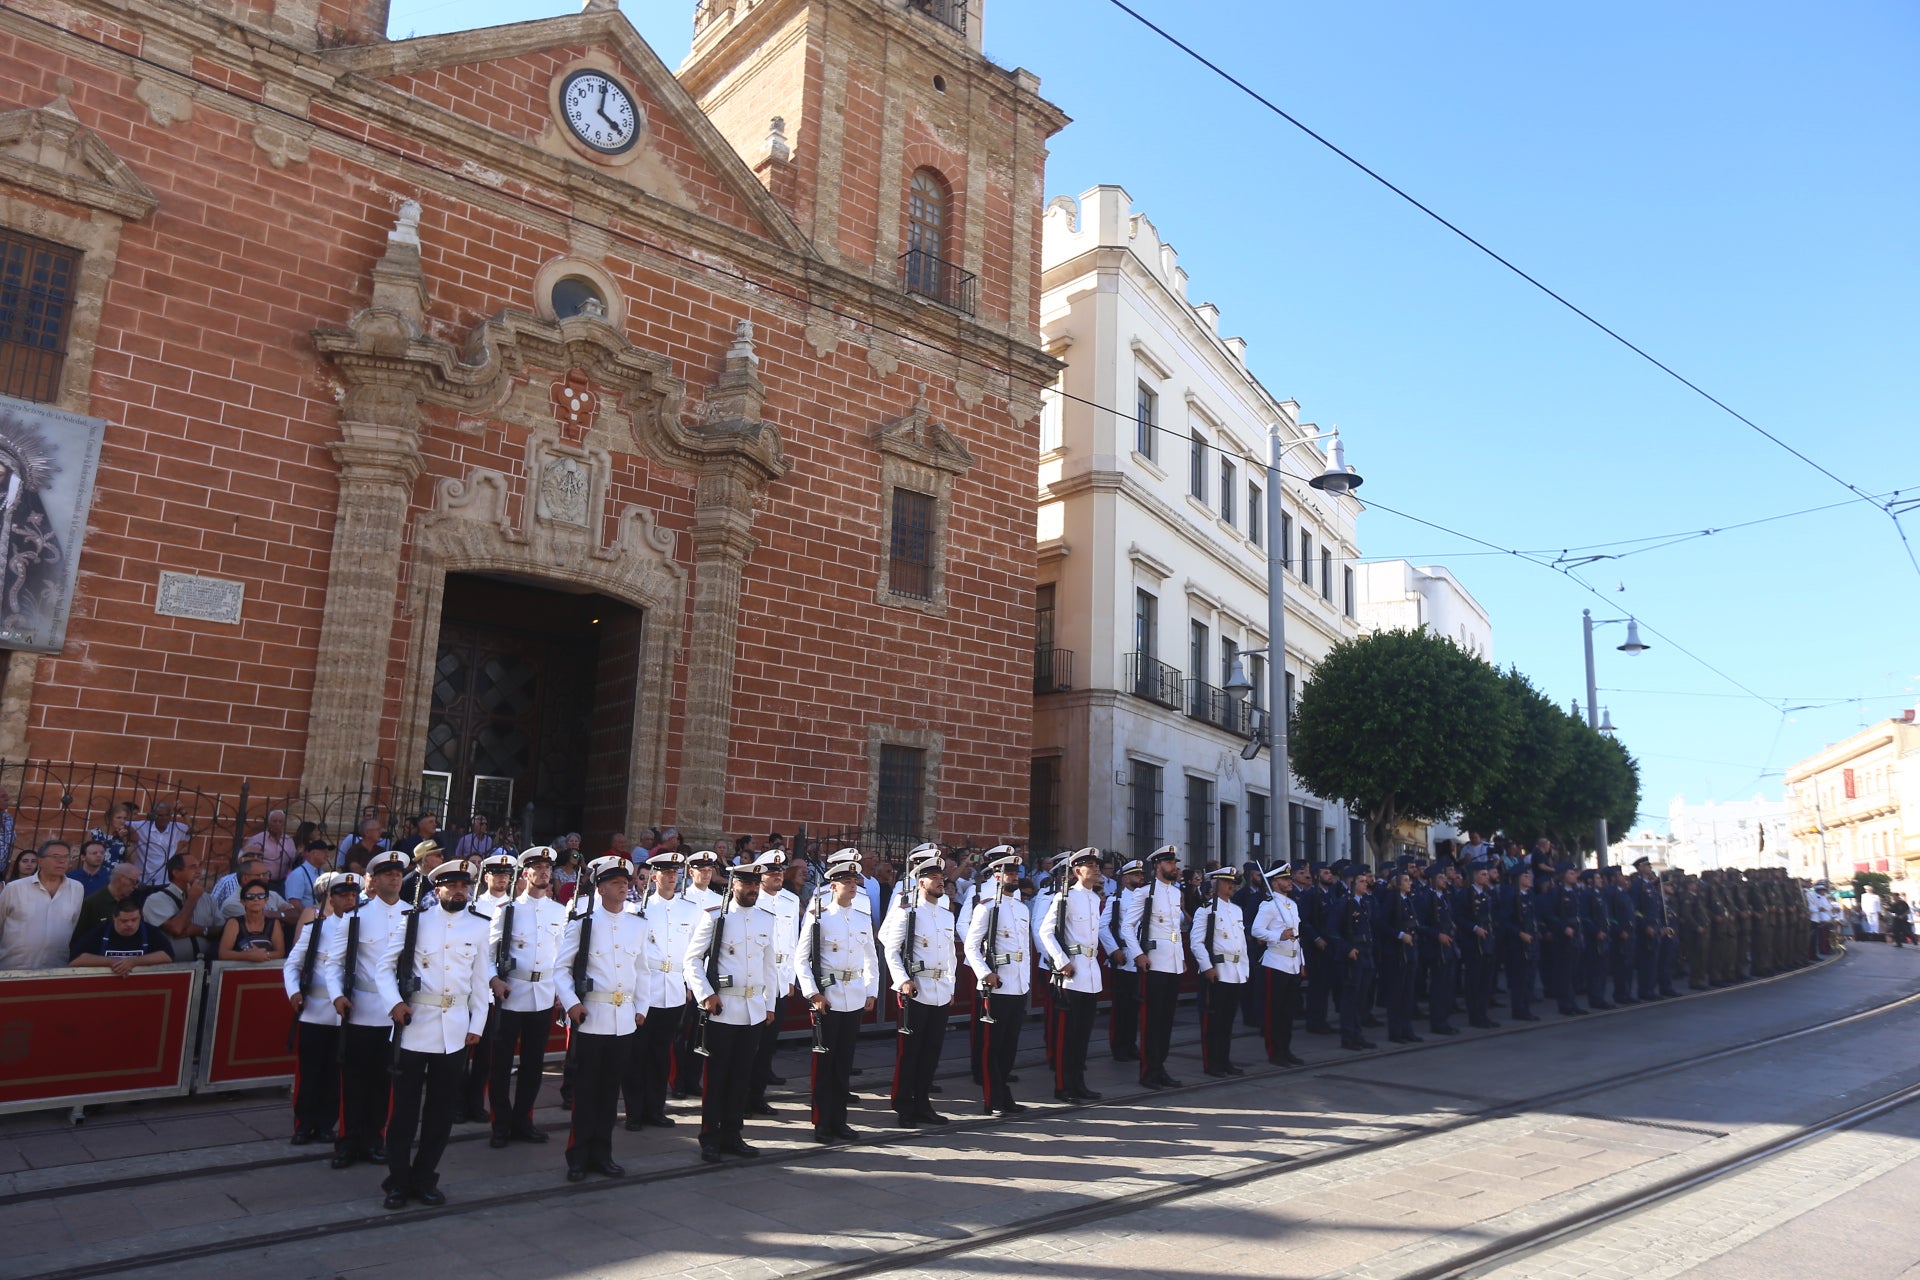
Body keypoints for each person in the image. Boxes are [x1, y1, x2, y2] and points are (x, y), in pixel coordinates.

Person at [380, 858, 492, 1210]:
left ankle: (425, 1177)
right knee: (404, 1113)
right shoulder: (414, 922)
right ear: (437, 888)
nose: (459, 891)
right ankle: (397, 1181)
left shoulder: (477, 927)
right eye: (452, 885)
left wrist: (477, 1025)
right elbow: (383, 968)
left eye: (464, 886)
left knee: (441, 1112)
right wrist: (394, 1004)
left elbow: (480, 979)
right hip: (414, 1027)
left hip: (455, 1030)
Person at [554, 854, 649, 1183]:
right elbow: (562, 969)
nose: (624, 887)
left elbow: (642, 970)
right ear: (601, 887)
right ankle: (577, 1156)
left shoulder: (637, 924)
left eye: (626, 883)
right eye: (616, 883)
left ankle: (603, 1154)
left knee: (610, 1094)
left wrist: (641, 1008)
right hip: (591, 1016)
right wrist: (571, 1004)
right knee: (586, 1092)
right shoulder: (583, 922)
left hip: (623, 1019)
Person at [323, 848, 412, 1170]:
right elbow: (333, 965)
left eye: (399, 873)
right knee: (354, 1080)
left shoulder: (413, 915)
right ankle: (348, 1142)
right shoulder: (355, 917)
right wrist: (336, 997)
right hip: (361, 1009)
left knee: (385, 1082)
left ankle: (376, 1139)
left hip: (395, 1016)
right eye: (388, 873)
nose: (395, 878)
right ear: (372, 881)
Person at [685, 861, 779, 1162]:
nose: (753, 889)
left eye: (756, 884)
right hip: (723, 1009)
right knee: (717, 1077)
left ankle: (733, 1133)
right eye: (747, 884)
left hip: (752, 1009)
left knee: (741, 1076)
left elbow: (768, 964)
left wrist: (769, 1004)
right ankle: (710, 1136)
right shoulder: (715, 917)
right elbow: (692, 960)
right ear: (733, 885)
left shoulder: (766, 918)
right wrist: (706, 995)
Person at [795, 849, 878, 1143]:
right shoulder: (819, 917)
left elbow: (871, 957)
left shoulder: (861, 918)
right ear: (833, 886)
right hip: (827, 998)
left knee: (844, 1062)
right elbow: (801, 958)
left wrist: (871, 990)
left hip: (854, 996)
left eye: (855, 880)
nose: (853, 886)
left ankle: (839, 1120)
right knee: (824, 1063)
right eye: (846, 881)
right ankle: (821, 1122)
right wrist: (813, 994)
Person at [486, 846, 565, 1148]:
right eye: (538, 867)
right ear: (526, 873)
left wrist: (559, 990)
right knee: (502, 1063)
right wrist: (494, 980)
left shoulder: (559, 911)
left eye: (547, 867)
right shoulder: (507, 910)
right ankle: (500, 1124)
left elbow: (560, 956)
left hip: (542, 994)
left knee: (533, 1064)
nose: (544, 872)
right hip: (512, 992)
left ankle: (524, 1120)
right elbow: (488, 953)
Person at [879, 847, 958, 1127]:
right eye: (934, 877)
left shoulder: (946, 914)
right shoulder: (907, 912)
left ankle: (923, 1103)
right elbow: (891, 950)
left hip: (939, 989)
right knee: (910, 1051)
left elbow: (950, 954)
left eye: (942, 876)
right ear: (920, 882)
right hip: (916, 988)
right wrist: (902, 980)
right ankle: (904, 1105)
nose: (941, 881)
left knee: (932, 1051)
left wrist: (950, 985)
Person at [627, 848, 699, 1132]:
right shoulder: (640, 909)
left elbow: (694, 952)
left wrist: (690, 985)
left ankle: (655, 1108)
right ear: (654, 876)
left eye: (675, 872)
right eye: (666, 872)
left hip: (674, 989)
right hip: (647, 987)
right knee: (638, 1053)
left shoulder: (689, 910)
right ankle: (634, 1111)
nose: (671, 877)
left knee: (661, 1052)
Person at [285, 872, 360, 1146]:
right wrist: (293, 991)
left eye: (353, 895)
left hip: (348, 1015)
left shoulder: (363, 929)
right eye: (343, 895)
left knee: (335, 1073)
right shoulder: (316, 929)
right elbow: (292, 965)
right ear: (332, 899)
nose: (349, 900)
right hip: (316, 1011)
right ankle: (304, 1124)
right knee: (311, 1072)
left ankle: (327, 1124)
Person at [965, 846, 1032, 1117]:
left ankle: (1005, 1093)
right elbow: (971, 946)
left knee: (1010, 1044)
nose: (1014, 877)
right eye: (1009, 873)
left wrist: (1026, 979)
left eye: (1016, 872)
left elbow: (1024, 948)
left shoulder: (1021, 908)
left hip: (1018, 983)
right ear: (996, 876)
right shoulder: (987, 907)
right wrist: (985, 973)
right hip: (997, 983)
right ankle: (992, 1098)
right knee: (993, 1045)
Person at [1039, 846, 1105, 1103]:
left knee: (1083, 1035)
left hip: (1090, 972)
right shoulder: (1065, 897)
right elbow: (1046, 932)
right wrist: (1062, 961)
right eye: (1091, 865)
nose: (1097, 868)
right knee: (1068, 1036)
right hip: (1072, 973)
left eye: (1097, 864)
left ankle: (1079, 1083)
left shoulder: (1094, 898)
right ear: (1078, 871)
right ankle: (1063, 1086)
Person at [1122, 844, 1188, 1089]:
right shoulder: (1145, 892)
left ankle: (1161, 1067)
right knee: (1152, 1020)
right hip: (1154, 963)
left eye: (1175, 863)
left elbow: (1174, 932)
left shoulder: (1174, 893)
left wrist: (1180, 956)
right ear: (1158, 865)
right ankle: (1149, 1071)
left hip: (1172, 963)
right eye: (1170, 863)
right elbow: (1127, 927)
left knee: (1167, 1020)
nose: (1175, 867)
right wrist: (1138, 954)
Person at [460, 852, 518, 1122]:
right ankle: (457, 1105)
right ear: (487, 878)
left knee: (486, 1055)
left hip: (499, 988)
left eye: (506, 875)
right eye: (497, 874)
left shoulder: (516, 905)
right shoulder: (474, 905)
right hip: (473, 985)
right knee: (462, 1052)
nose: (502, 879)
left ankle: (475, 1103)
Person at [748, 849, 802, 1118]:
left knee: (768, 1044)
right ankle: (742, 1096)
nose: (778, 875)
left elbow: (792, 941)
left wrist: (790, 978)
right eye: (772, 872)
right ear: (761, 875)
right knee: (750, 1044)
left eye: (780, 871)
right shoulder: (752, 900)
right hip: (756, 978)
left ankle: (757, 1096)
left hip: (779, 978)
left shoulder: (791, 901)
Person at [1190, 866, 1250, 1077]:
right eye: (1226, 882)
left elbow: (1241, 943)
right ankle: (1212, 1062)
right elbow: (1196, 943)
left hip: (1234, 971)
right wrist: (1207, 967)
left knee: (1227, 1020)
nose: (1231, 885)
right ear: (1215, 885)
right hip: (1217, 970)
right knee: (1213, 1021)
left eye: (1232, 882)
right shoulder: (1205, 910)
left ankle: (1225, 1060)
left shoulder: (1236, 910)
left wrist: (1244, 969)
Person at [1250, 863, 1305, 1065]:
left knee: (1288, 1012)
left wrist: (1302, 961)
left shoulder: (1292, 905)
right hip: (1276, 962)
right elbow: (1256, 930)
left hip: (1291, 962)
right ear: (1275, 882)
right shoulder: (1269, 905)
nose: (1289, 881)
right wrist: (1277, 935)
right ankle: (1275, 1052)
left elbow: (1298, 937)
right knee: (1275, 1011)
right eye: (1285, 879)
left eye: (1289, 878)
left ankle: (1286, 1049)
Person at [0, 839, 83, 969]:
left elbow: (72, 923)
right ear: (40, 861)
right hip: (13, 968)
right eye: (55, 856)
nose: (62, 861)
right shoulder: (14, 888)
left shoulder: (77, 888)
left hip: (55, 967)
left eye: (66, 857)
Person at [1098, 858, 1145, 1063]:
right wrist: (1114, 950)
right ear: (1126, 879)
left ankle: (1131, 1043)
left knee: (1135, 1005)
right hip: (1123, 957)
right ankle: (1119, 1046)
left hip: (1141, 958)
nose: (1140, 878)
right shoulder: (1115, 900)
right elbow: (1103, 927)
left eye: (1141, 874)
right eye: (1136, 875)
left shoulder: (1145, 899)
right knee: (1122, 1006)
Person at [1330, 863, 1377, 1051]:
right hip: (1352, 956)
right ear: (1352, 883)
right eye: (1362, 881)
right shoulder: (1344, 903)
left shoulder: (1363, 903)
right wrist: (1346, 948)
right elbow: (1332, 931)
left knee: (1361, 998)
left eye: (1366, 881)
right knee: (1350, 998)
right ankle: (1348, 1036)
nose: (1366, 884)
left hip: (1365, 953)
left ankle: (1358, 1034)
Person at [69, 897, 172, 973]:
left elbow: (168, 955)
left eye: (134, 920)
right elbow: (75, 959)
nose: (130, 924)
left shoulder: (149, 931)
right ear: (114, 918)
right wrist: (112, 962)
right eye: (124, 921)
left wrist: (133, 962)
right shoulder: (101, 931)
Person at [73, 858, 144, 940]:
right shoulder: (92, 903)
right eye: (134, 881)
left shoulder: (135, 901)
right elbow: (79, 938)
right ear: (120, 878)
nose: (136, 886)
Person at [217, 883, 287, 962]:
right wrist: (249, 956)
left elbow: (280, 953)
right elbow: (223, 954)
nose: (256, 899)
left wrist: (262, 955)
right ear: (243, 901)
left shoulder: (274, 923)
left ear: (266, 900)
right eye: (250, 897)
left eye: (261, 896)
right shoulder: (234, 923)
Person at [130, 802, 191, 885]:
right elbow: (121, 823)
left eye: (167, 815)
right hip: (141, 879)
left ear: (171, 816)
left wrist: (183, 812)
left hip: (166, 879)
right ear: (153, 815)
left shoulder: (177, 827)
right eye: (160, 815)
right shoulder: (142, 826)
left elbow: (195, 829)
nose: (164, 818)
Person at [241, 809, 300, 890]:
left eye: (280, 821)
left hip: (282, 882)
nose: (277, 824)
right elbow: (246, 860)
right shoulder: (257, 839)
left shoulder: (288, 840)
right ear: (268, 823)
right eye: (274, 821)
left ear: (284, 824)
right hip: (262, 881)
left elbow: (293, 859)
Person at [285, 840, 335, 912]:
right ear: (314, 853)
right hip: (306, 919)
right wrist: (307, 917)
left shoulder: (322, 874)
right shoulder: (298, 874)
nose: (327, 855)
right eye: (324, 852)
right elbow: (294, 902)